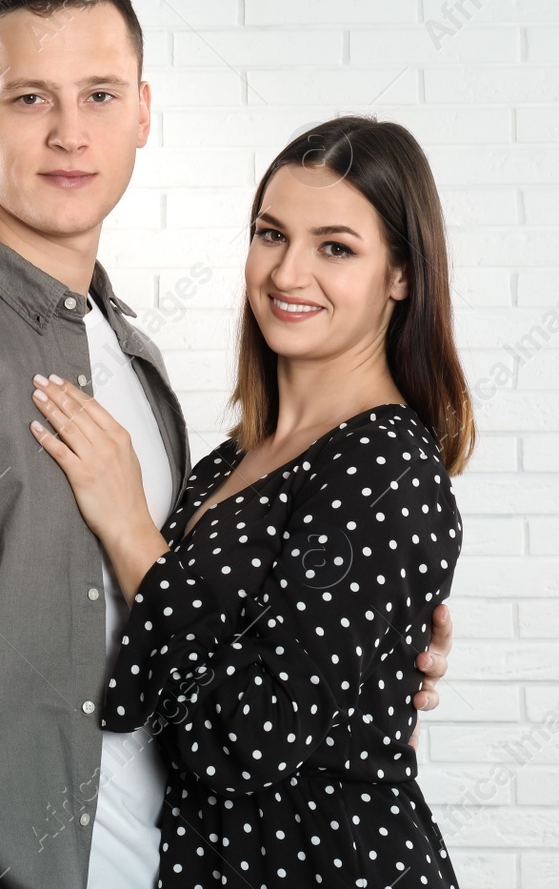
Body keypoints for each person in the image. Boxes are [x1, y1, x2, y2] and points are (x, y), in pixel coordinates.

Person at [0, 0, 455, 889]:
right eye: (29, 99)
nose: (69, 135)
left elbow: (191, 630)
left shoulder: (138, 366)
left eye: (99, 95)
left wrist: (364, 659)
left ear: (143, 113)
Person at [26, 116, 472, 887]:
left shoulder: (386, 462)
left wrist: (131, 528)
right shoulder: (233, 458)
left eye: (335, 246)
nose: (288, 273)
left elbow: (246, 739)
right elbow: (150, 684)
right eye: (271, 234)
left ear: (400, 274)